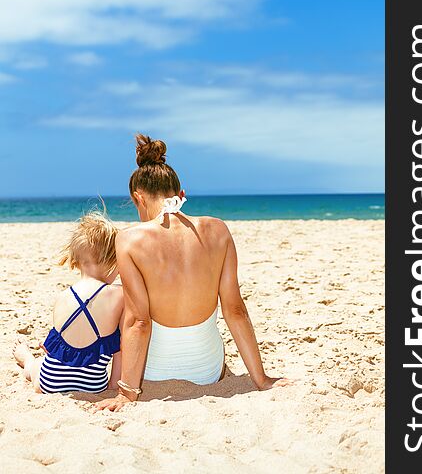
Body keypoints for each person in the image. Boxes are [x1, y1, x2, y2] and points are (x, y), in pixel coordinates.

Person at [96, 134, 291, 412]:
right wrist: (261, 380)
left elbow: (139, 322)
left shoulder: (129, 239)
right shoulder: (219, 230)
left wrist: (128, 394)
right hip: (207, 371)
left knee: (118, 302)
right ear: (181, 195)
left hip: (151, 372)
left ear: (137, 198)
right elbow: (235, 311)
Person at [13, 211, 124, 394]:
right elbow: (121, 348)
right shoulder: (119, 295)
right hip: (94, 385)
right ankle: (27, 358)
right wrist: (113, 385)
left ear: (76, 261)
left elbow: (58, 347)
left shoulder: (62, 297)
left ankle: (28, 360)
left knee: (37, 366)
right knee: (39, 362)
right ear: (109, 261)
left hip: (50, 382)